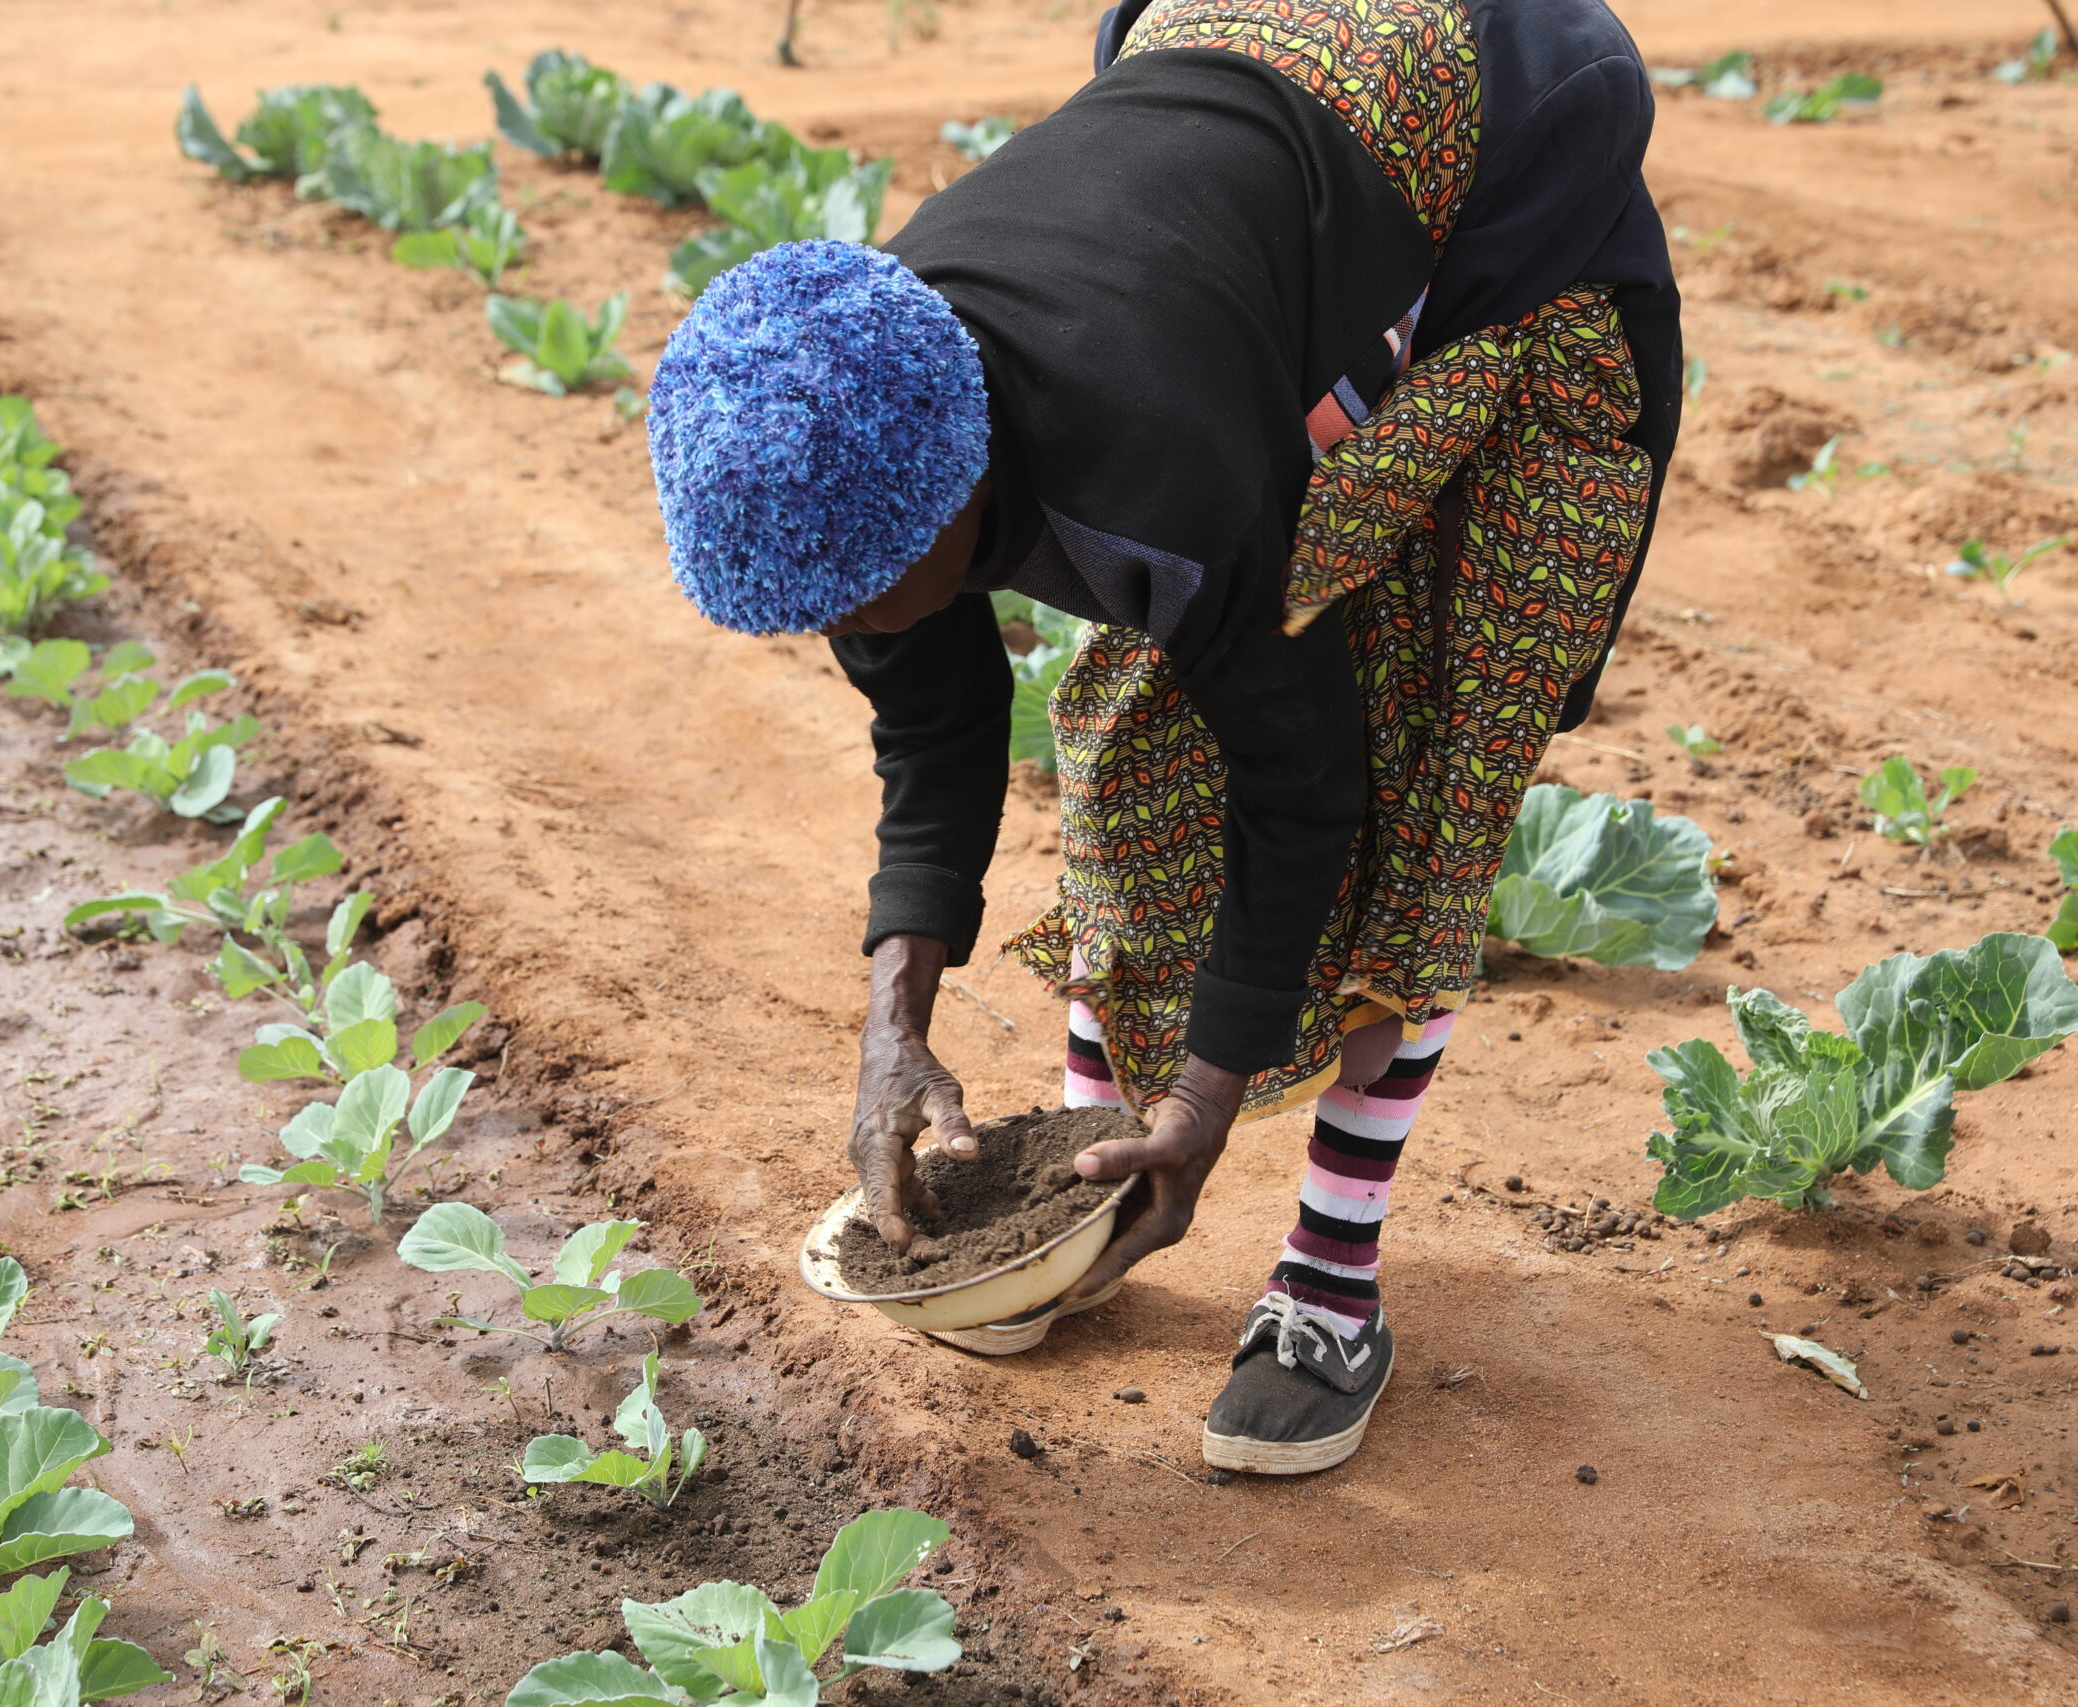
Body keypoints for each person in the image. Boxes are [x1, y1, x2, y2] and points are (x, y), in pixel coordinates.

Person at [645, 0, 1678, 1474]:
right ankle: (1062, 1205)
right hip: (1230, 119)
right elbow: (934, 730)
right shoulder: (873, 417)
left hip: (1508, 183)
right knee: (1132, 761)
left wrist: (1208, 1097)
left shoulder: (1144, 457)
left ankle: (1328, 1280)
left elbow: (1302, 782)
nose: (848, 621)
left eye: (862, 593)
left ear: (961, 492)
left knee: (1416, 784)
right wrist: (893, 1027)